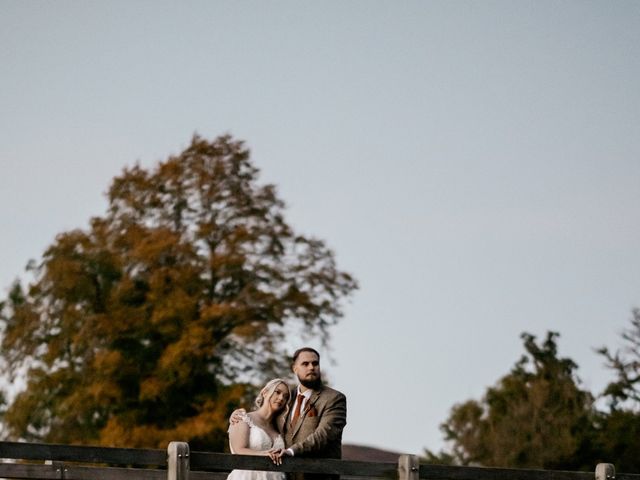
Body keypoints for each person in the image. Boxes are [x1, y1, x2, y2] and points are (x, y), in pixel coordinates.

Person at [233, 348, 347, 480]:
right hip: (285, 476)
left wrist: (291, 451)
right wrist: (240, 415)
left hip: (318, 475)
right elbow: (264, 418)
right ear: (294, 368)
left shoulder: (334, 398)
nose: (311, 367)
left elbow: (323, 436)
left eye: (315, 364)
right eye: (305, 364)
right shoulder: (286, 397)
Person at [227, 378, 291, 480]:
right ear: (265, 392)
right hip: (247, 476)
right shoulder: (242, 417)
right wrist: (264, 454)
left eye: (285, 396)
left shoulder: (280, 427)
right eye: (277, 392)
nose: (281, 398)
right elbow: (238, 449)